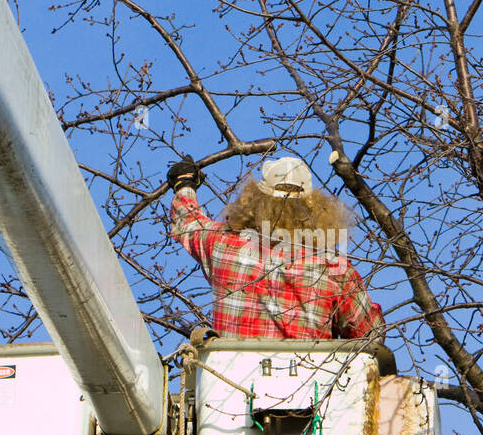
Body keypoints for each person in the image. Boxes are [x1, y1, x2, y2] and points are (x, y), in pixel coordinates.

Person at [167, 155, 391, 368]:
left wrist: (184, 184)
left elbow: (189, 223)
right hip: (310, 392)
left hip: (230, 390)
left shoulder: (223, 244)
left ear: (254, 201)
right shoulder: (332, 266)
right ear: (316, 208)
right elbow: (369, 335)